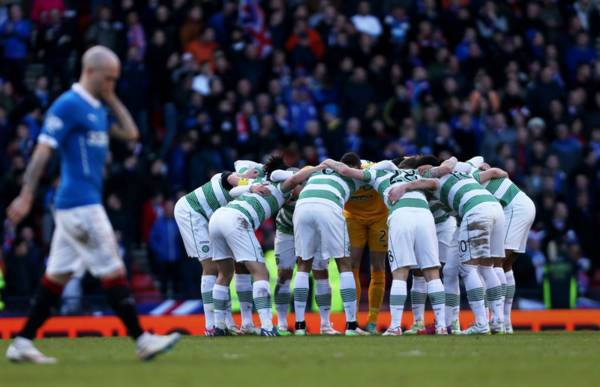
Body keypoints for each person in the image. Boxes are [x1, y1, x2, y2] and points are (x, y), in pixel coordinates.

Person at [5, 46, 180, 364]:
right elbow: (43, 152)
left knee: (56, 275)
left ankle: (22, 341)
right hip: (79, 204)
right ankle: (142, 339)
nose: (112, 83)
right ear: (90, 72)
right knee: (112, 267)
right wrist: (27, 194)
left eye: (116, 79)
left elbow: (131, 133)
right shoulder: (67, 105)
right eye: (109, 78)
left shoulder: (98, 109)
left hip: (80, 205)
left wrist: (110, 97)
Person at [324, 159, 448, 335]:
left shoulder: (377, 174)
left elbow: (345, 171)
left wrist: (328, 161)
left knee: (400, 273)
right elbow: (435, 182)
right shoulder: (416, 174)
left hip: (401, 215)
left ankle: (395, 326)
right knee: (432, 272)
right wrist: (408, 186)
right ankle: (441, 326)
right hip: (425, 216)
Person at [209, 155, 323, 336]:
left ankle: (218, 326)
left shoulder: (260, 181)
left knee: (223, 274)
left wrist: (250, 183)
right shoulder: (282, 187)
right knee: (261, 273)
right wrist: (319, 168)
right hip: (237, 220)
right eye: (299, 185)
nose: (298, 187)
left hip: (217, 219)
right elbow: (294, 178)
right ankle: (268, 326)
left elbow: (232, 190)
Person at [416, 155, 507, 335]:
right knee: (476, 268)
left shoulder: (431, 179)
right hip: (495, 209)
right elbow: (491, 169)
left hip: (476, 212)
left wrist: (404, 186)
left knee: (468, 269)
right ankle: (497, 322)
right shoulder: (464, 174)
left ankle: (481, 324)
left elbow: (434, 174)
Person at [173, 166, 263, 336]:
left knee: (225, 269)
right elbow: (231, 179)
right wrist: (250, 181)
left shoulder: (238, 193)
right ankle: (210, 326)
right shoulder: (227, 178)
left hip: (209, 220)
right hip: (191, 213)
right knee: (211, 268)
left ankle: (226, 323)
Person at [292, 152, 369, 336]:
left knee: (304, 264)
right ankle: (351, 326)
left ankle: (301, 326)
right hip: (328, 206)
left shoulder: (318, 172)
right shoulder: (355, 176)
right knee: (344, 263)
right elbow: (384, 167)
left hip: (302, 206)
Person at [464, 157, 536, 334]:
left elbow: (496, 172)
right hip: (523, 206)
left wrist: (501, 172)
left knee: (494, 264)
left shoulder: (471, 176)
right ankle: (506, 322)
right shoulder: (478, 171)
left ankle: (498, 321)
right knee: (506, 266)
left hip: (514, 209)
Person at [271, 167, 339, 336]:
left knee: (321, 272)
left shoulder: (314, 187)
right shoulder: (282, 189)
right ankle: (282, 324)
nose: (292, 187)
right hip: (286, 231)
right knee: (284, 275)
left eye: (296, 183)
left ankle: (325, 324)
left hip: (313, 231)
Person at [343, 159, 388, 334]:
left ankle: (372, 321)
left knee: (377, 266)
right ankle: (352, 320)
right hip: (353, 218)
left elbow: (394, 164)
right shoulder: (340, 173)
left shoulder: (372, 168)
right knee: (352, 265)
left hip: (379, 218)